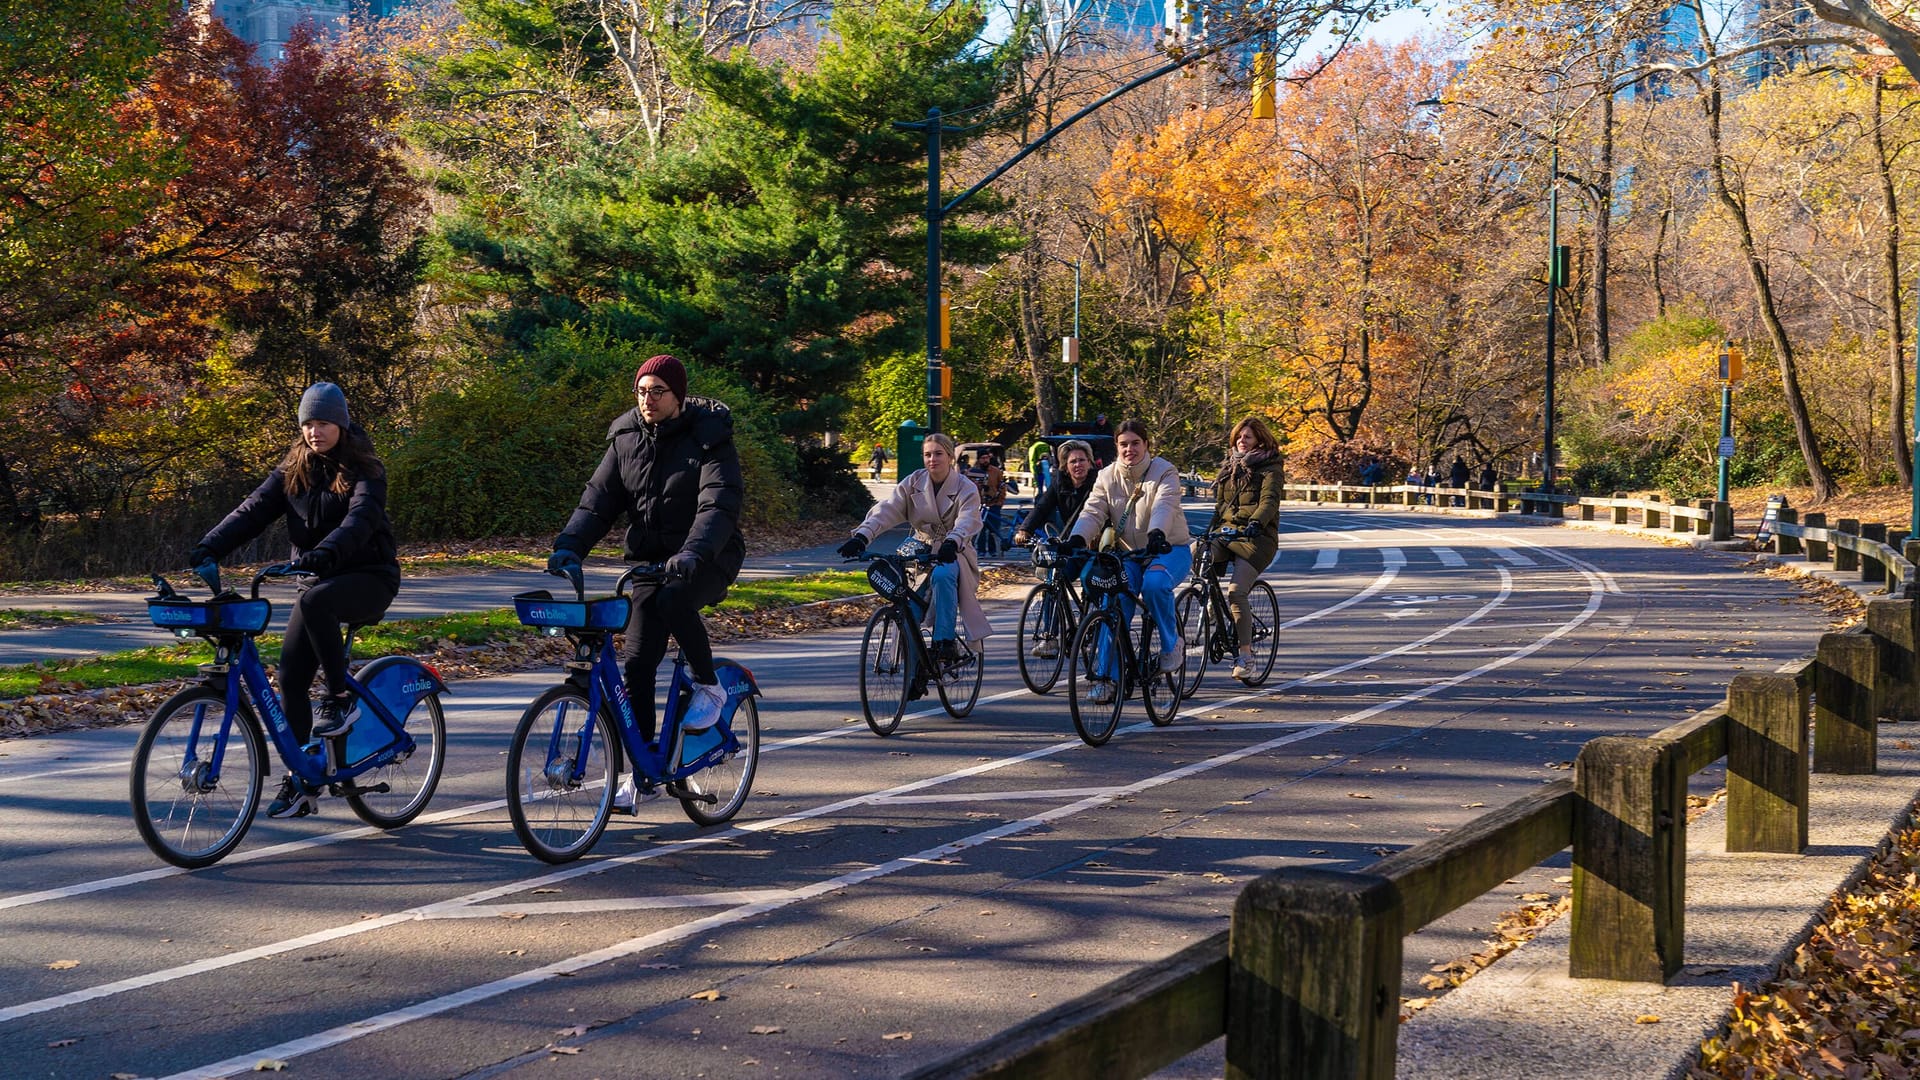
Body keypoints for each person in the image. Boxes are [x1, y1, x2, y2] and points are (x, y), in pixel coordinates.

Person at [189, 382, 399, 820]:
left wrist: (324, 554)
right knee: (290, 681)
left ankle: (339, 699)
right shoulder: (294, 469)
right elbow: (252, 510)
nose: (314, 432)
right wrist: (209, 547)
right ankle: (303, 780)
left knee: (317, 601)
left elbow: (360, 521)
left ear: (340, 424)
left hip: (368, 577)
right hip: (315, 584)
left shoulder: (366, 470)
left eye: (323, 423)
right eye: (307, 423)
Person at [548, 354, 746, 811]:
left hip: (708, 555)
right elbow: (597, 503)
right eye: (641, 391)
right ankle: (640, 771)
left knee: (675, 600)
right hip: (648, 563)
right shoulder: (625, 439)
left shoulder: (709, 437)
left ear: (678, 395)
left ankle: (709, 683)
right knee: (637, 663)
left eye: (657, 391)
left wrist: (693, 553)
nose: (647, 400)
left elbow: (717, 506)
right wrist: (569, 546)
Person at [839, 432, 993, 672]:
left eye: (938, 454)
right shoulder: (913, 482)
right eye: (927, 454)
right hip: (918, 550)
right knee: (907, 606)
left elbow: (968, 520)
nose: (933, 459)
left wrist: (952, 541)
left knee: (943, 576)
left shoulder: (966, 487)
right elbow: (887, 510)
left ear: (951, 457)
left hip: (955, 551)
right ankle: (914, 672)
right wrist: (862, 536)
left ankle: (945, 642)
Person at [1065, 419, 1191, 704]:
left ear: (1146, 445)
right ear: (1116, 447)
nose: (1129, 449)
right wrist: (1078, 538)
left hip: (1168, 549)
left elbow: (1165, 505)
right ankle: (1106, 676)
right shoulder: (1107, 476)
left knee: (1156, 584)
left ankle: (1172, 645)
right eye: (1123, 444)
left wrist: (1157, 533)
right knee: (1112, 601)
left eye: (1135, 443)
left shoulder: (1164, 471)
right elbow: (1092, 511)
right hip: (1129, 554)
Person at [1202, 417, 1284, 680]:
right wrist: (1209, 531)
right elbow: (1219, 508)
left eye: (1247, 437)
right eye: (1239, 436)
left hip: (1256, 537)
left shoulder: (1271, 467)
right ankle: (1211, 605)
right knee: (1197, 555)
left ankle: (1245, 657)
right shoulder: (1229, 467)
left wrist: (1256, 523)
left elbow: (1269, 500)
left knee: (1237, 593)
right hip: (1227, 533)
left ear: (1259, 439)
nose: (1241, 440)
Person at [1014, 439, 1098, 660]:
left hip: (1095, 546)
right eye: (1072, 461)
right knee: (1053, 581)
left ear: (1089, 462)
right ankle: (1049, 637)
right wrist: (1025, 530)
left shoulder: (1099, 483)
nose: (1077, 465)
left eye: (1082, 460)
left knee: (1094, 583)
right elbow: (1042, 508)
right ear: (1065, 465)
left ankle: (1096, 628)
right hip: (1069, 546)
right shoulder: (1059, 483)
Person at [977, 451, 1008, 558]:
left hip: (994, 504)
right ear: (979, 459)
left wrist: (1000, 502)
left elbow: (1002, 486)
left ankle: (993, 550)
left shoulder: (996, 471)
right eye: (983, 458)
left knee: (993, 529)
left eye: (987, 458)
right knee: (980, 529)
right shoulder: (973, 472)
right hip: (979, 505)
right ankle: (981, 550)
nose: (985, 460)